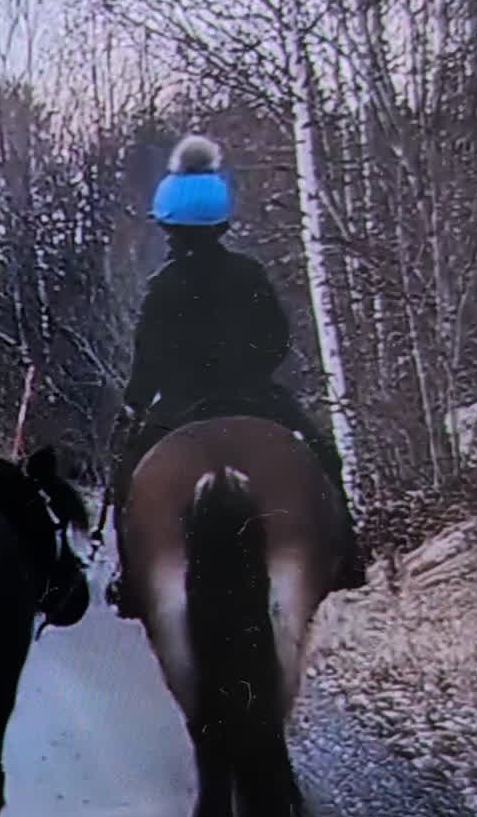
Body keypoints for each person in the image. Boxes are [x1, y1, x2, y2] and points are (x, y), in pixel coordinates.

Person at [106, 132, 366, 618]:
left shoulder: (163, 286)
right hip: (255, 395)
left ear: (168, 227)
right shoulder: (249, 274)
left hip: (181, 402)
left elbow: (148, 359)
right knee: (322, 451)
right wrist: (251, 371)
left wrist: (135, 404)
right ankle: (348, 554)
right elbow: (277, 338)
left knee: (129, 476)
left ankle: (132, 581)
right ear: (221, 222)